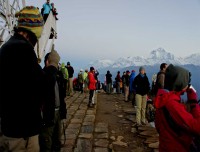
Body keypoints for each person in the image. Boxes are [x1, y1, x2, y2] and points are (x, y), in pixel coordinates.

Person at [0, 6, 44, 151]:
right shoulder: (23, 50)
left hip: (9, 127)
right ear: (31, 32)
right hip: (23, 133)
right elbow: (37, 86)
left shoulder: (6, 47)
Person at [155, 64, 200, 152]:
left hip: (166, 146)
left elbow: (159, 127)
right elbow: (197, 127)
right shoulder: (173, 105)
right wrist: (194, 103)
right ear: (180, 82)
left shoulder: (163, 99)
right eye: (186, 81)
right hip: (177, 148)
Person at [40, 51, 67, 152]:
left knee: (57, 140)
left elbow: (62, 95)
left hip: (58, 112)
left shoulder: (58, 76)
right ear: (47, 62)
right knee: (47, 141)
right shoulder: (44, 75)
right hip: (48, 113)